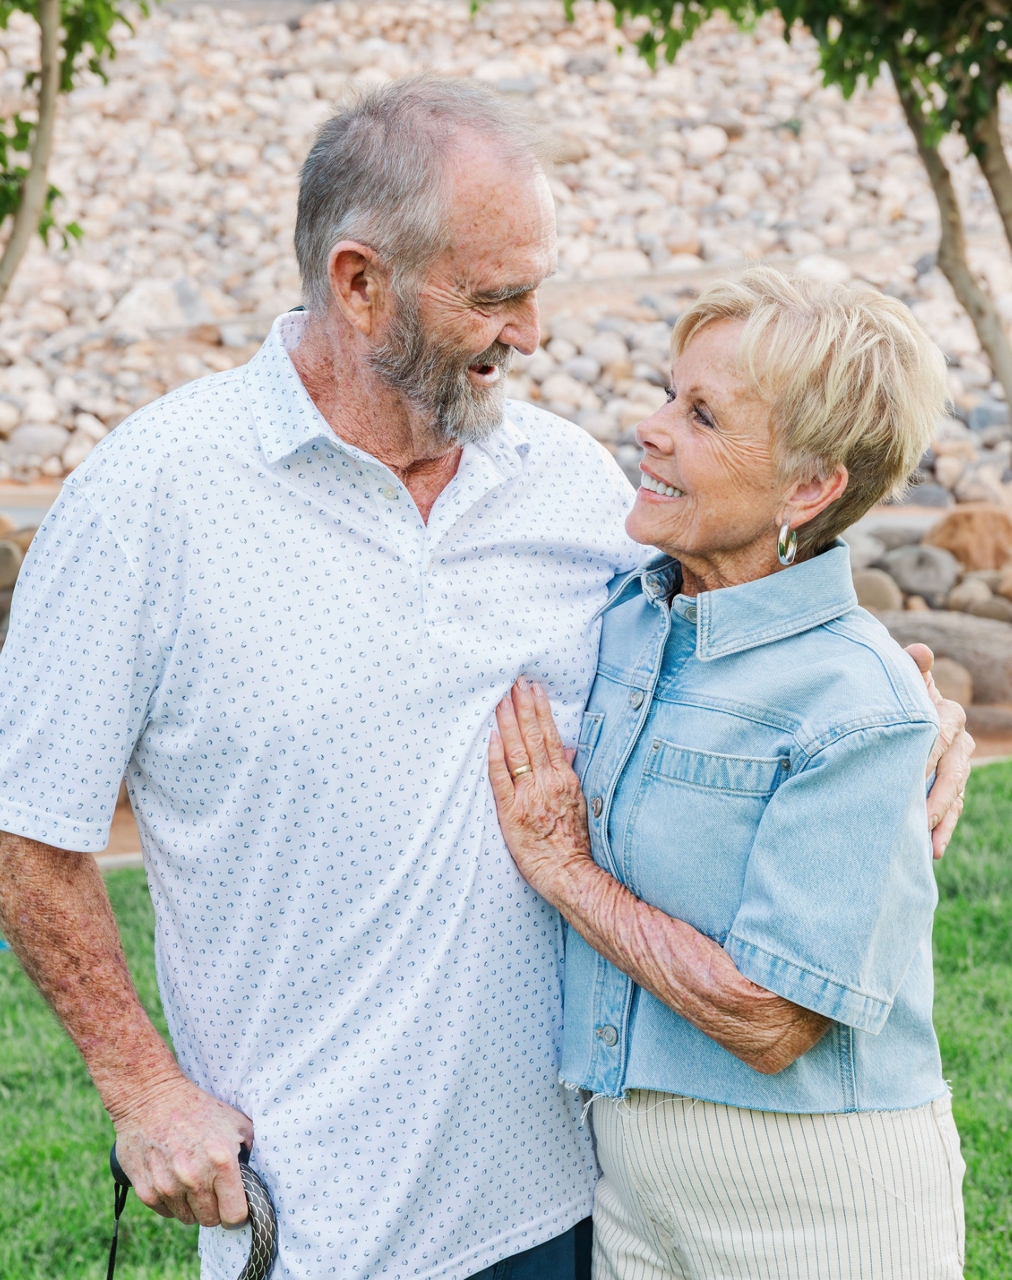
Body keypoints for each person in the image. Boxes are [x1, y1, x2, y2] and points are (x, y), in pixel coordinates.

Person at [0, 81, 968, 1280]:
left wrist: (922, 717)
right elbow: (27, 829)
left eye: (537, 288)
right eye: (497, 296)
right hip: (322, 1217)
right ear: (360, 284)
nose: (534, 333)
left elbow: (751, 632)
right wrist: (144, 1088)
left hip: (588, 1198)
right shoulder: (147, 498)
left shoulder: (569, 486)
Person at [489, 267, 967, 1280]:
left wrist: (564, 866)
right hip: (628, 1194)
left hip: (820, 1207)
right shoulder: (627, 615)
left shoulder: (858, 698)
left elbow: (771, 1015)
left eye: (701, 414)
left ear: (808, 486)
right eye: (668, 393)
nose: (651, 427)